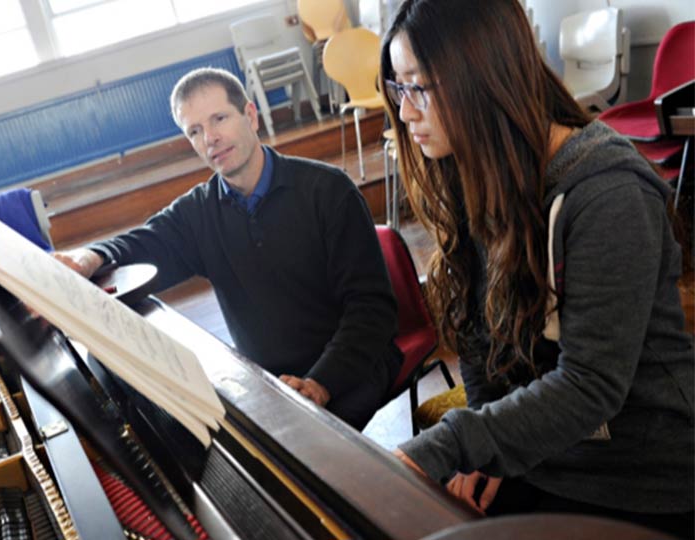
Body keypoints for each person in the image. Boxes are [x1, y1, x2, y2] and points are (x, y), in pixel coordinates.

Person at [380, 0, 694, 536]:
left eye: (419, 87)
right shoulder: (477, 170)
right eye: (398, 87)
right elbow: (477, 337)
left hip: (641, 475)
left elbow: (591, 385)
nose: (405, 112)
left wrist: (459, 441)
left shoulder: (608, 194)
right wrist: (493, 449)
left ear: (482, 77)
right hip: (550, 456)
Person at [53, 67, 402, 430]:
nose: (210, 139)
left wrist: (319, 384)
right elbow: (144, 243)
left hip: (352, 365)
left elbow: (372, 311)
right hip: (272, 383)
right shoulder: (199, 212)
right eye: (195, 131)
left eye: (219, 118)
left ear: (250, 116)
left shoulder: (328, 191)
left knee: (311, 461)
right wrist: (87, 257)